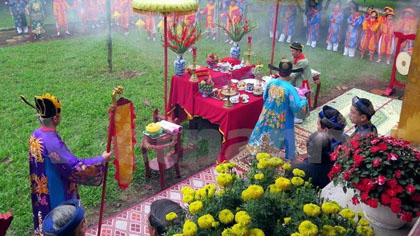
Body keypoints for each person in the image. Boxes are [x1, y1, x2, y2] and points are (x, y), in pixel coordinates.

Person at [21, 93, 111, 234]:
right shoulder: (52, 143)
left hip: (41, 191)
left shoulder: (35, 135)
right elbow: (74, 168)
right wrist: (101, 160)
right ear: (55, 118)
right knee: (61, 222)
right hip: (55, 191)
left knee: (46, 218)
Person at [248, 59, 310, 160]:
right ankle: (289, 157)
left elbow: (265, 97)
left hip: (267, 113)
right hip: (283, 117)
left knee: (261, 130)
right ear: (290, 74)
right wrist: (304, 99)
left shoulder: (271, 83)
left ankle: (255, 153)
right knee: (288, 132)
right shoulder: (290, 89)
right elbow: (297, 107)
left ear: (278, 72)